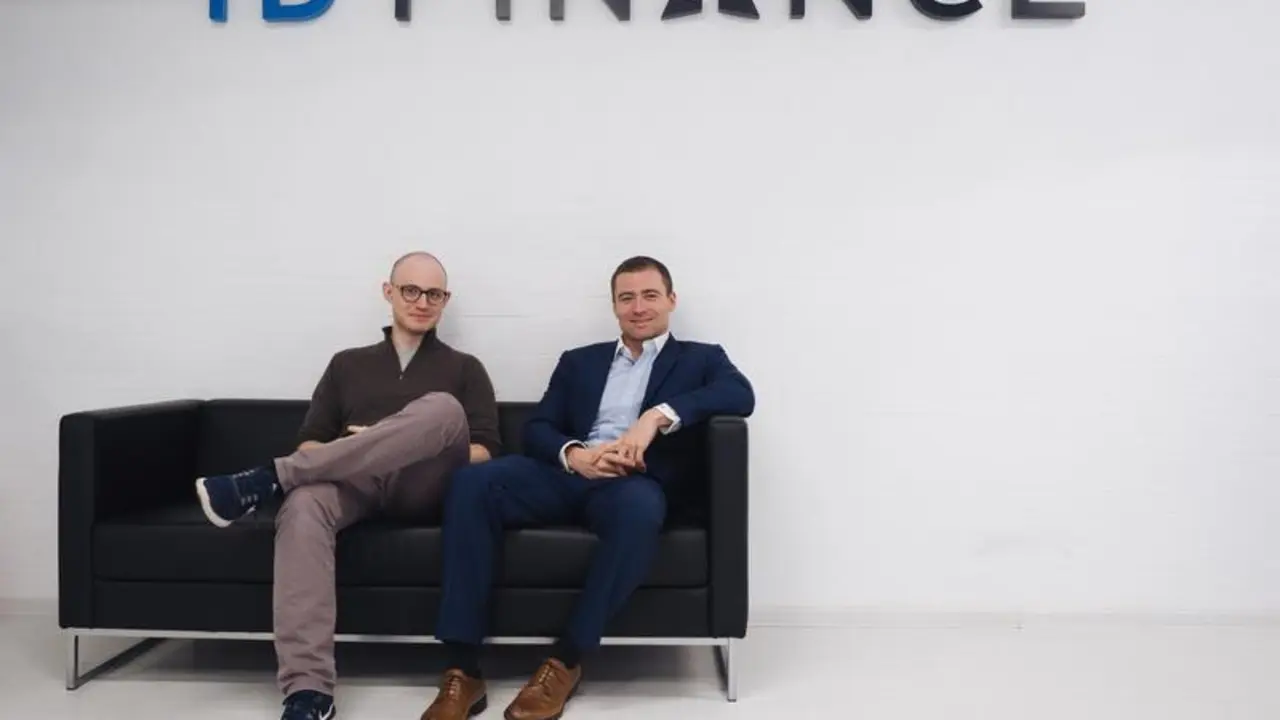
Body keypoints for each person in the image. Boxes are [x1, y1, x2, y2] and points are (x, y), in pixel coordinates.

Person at [420, 255, 755, 720]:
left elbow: (741, 394)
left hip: (632, 482)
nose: (638, 307)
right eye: (626, 298)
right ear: (614, 306)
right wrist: (574, 454)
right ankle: (463, 667)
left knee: (639, 510)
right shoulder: (580, 361)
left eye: (650, 295)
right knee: (472, 481)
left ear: (671, 300)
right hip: (568, 473)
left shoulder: (702, 359)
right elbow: (538, 427)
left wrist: (655, 418)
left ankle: (565, 660)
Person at [194, 251, 502, 720]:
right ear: (388, 292)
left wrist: (393, 442)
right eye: (411, 290)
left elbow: (484, 451)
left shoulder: (465, 368)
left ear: (446, 300)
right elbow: (311, 443)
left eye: (434, 294)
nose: (422, 302)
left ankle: (268, 478)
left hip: (425, 485)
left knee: (442, 407)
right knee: (301, 506)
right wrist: (359, 449)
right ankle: (308, 691)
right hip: (353, 485)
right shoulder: (347, 364)